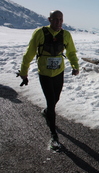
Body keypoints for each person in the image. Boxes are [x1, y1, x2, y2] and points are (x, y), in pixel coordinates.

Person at [18, 10, 79, 150]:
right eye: (55, 19)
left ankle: (47, 112)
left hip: (59, 73)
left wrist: (75, 66)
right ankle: (54, 136)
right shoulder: (39, 33)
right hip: (45, 73)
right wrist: (23, 72)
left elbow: (71, 52)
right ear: (49, 19)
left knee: (55, 98)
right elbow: (29, 53)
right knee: (51, 102)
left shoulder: (66, 35)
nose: (58, 22)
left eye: (61, 19)